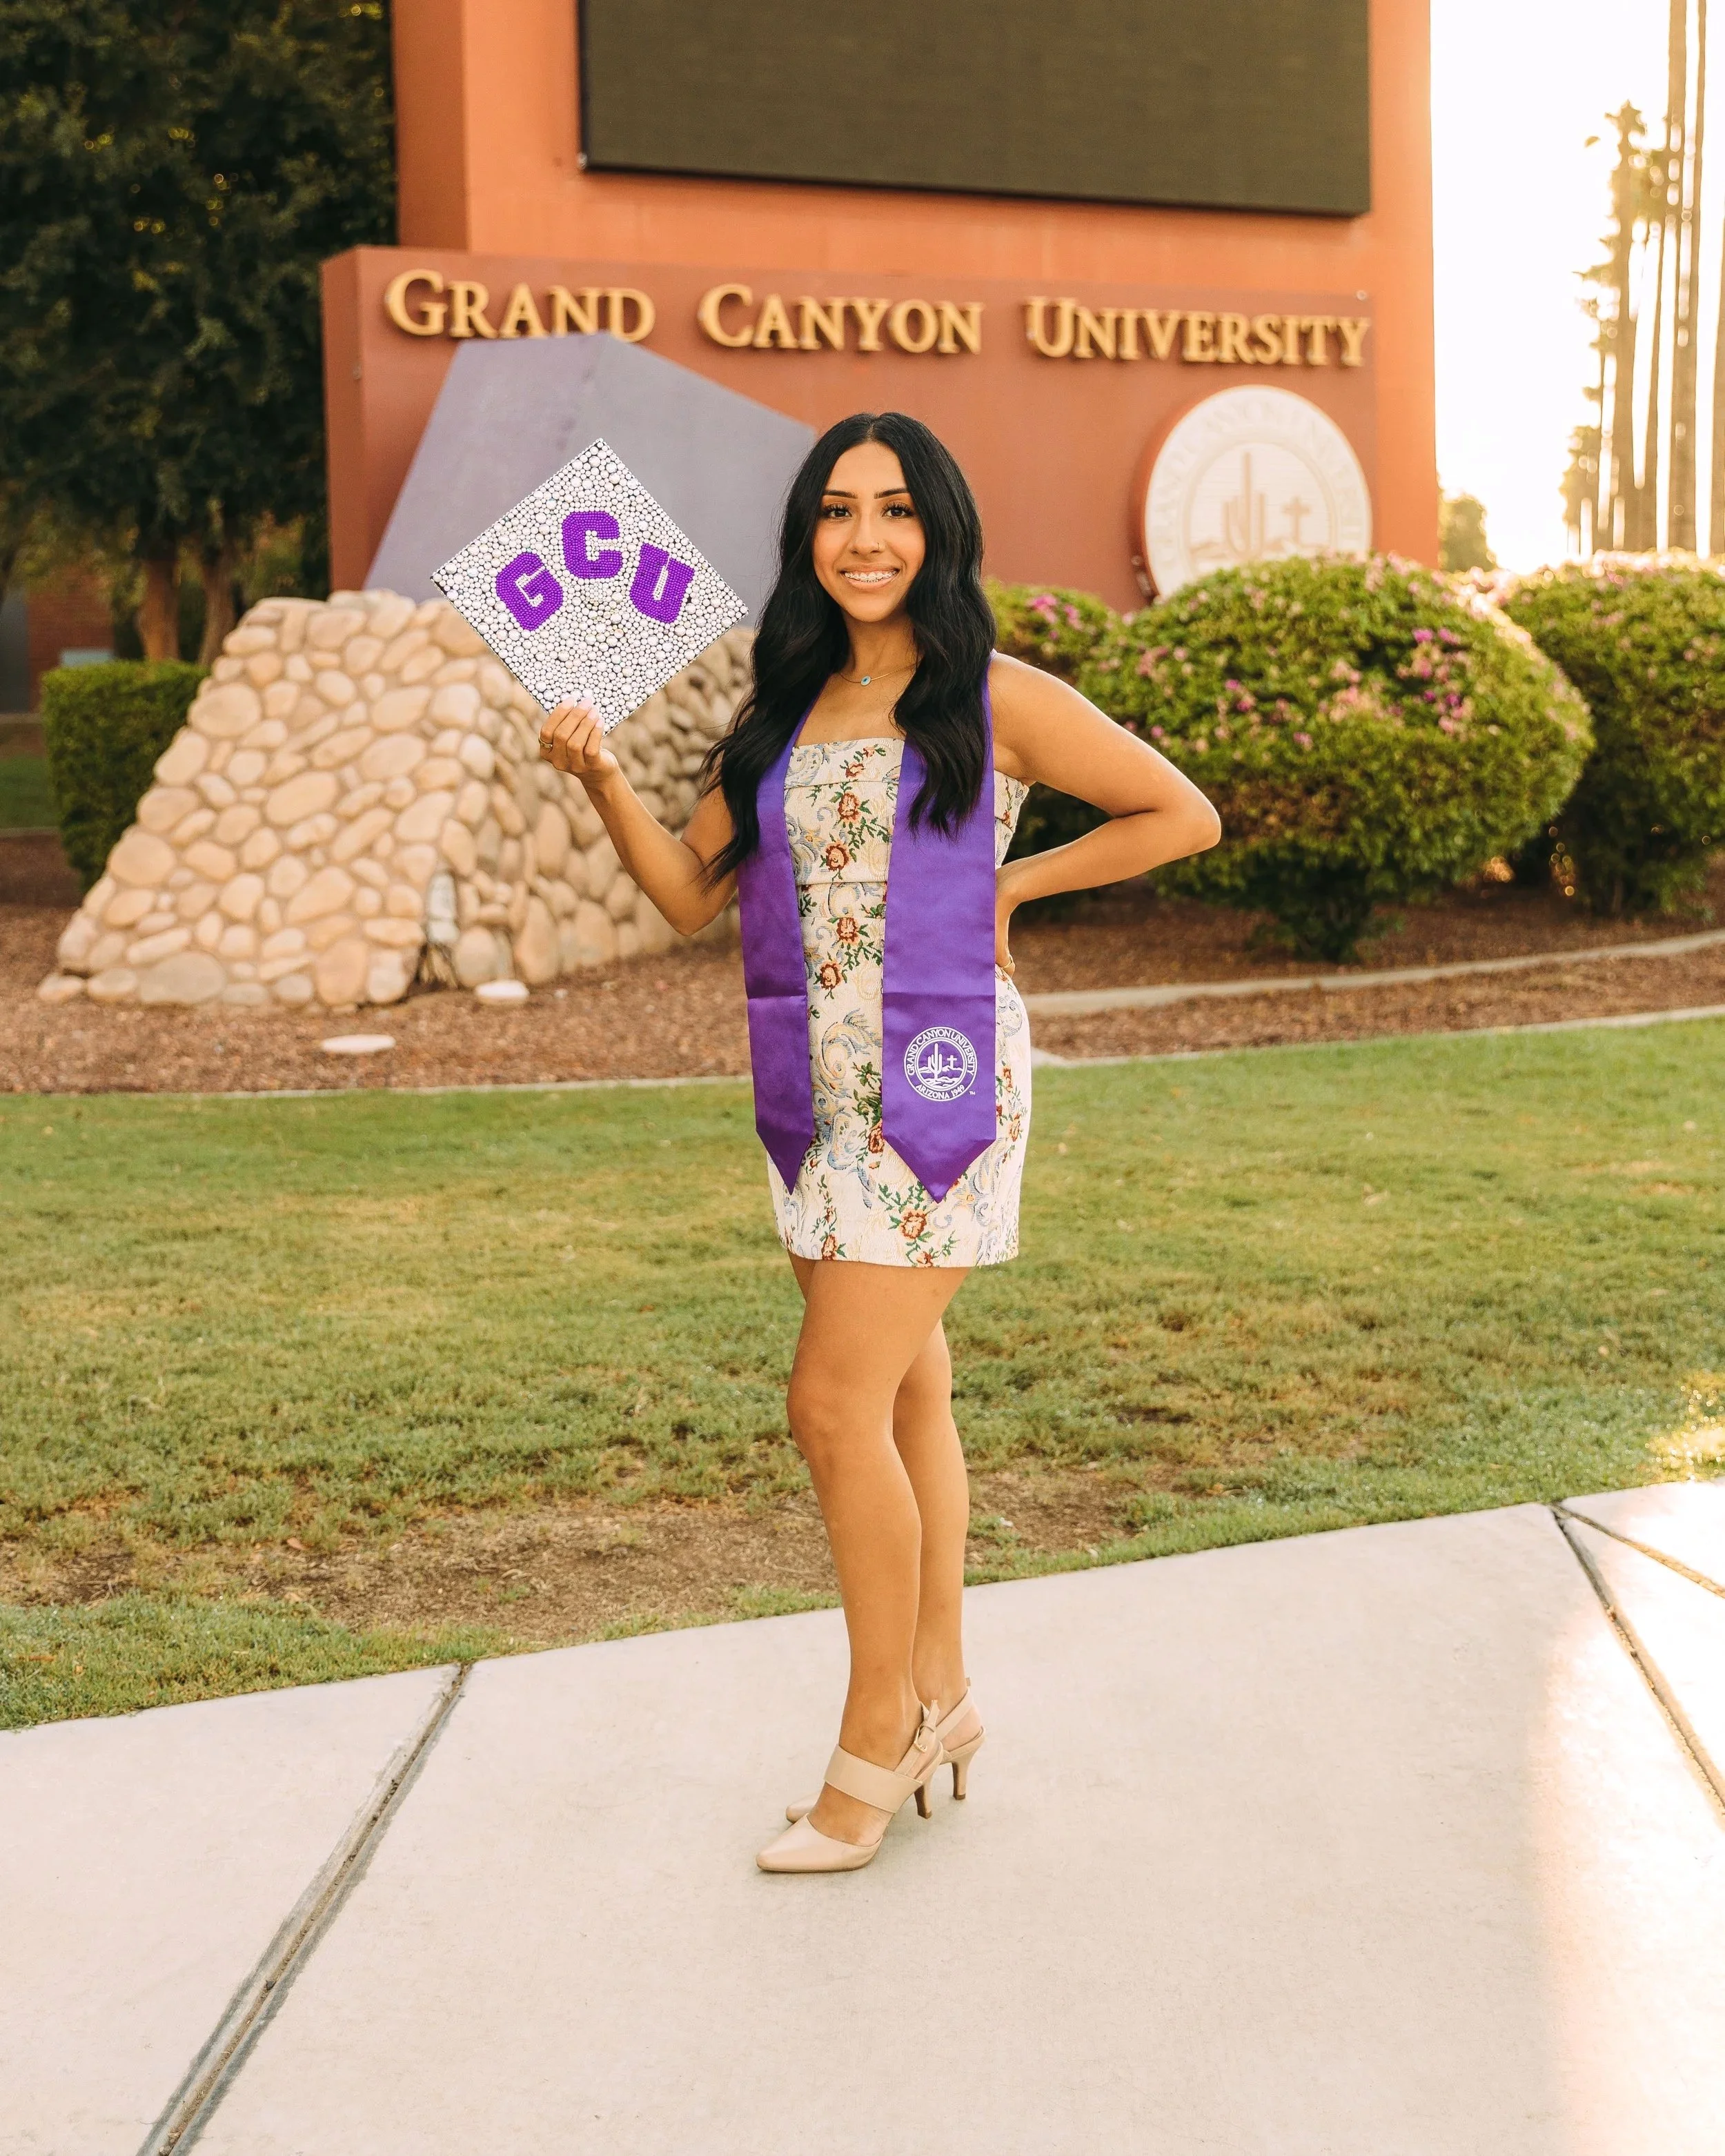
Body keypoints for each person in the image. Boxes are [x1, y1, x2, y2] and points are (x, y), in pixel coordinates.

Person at [538, 412, 1220, 1873]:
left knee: (828, 1405)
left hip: (939, 1085)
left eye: (894, 509)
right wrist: (600, 776)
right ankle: (947, 1692)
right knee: (905, 1393)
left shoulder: (991, 693)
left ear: (939, 531)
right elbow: (685, 893)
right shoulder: (779, 709)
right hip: (810, 1090)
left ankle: (876, 1731)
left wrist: (1015, 889)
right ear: (805, 540)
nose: (864, 537)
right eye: (837, 511)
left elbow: (1179, 813)